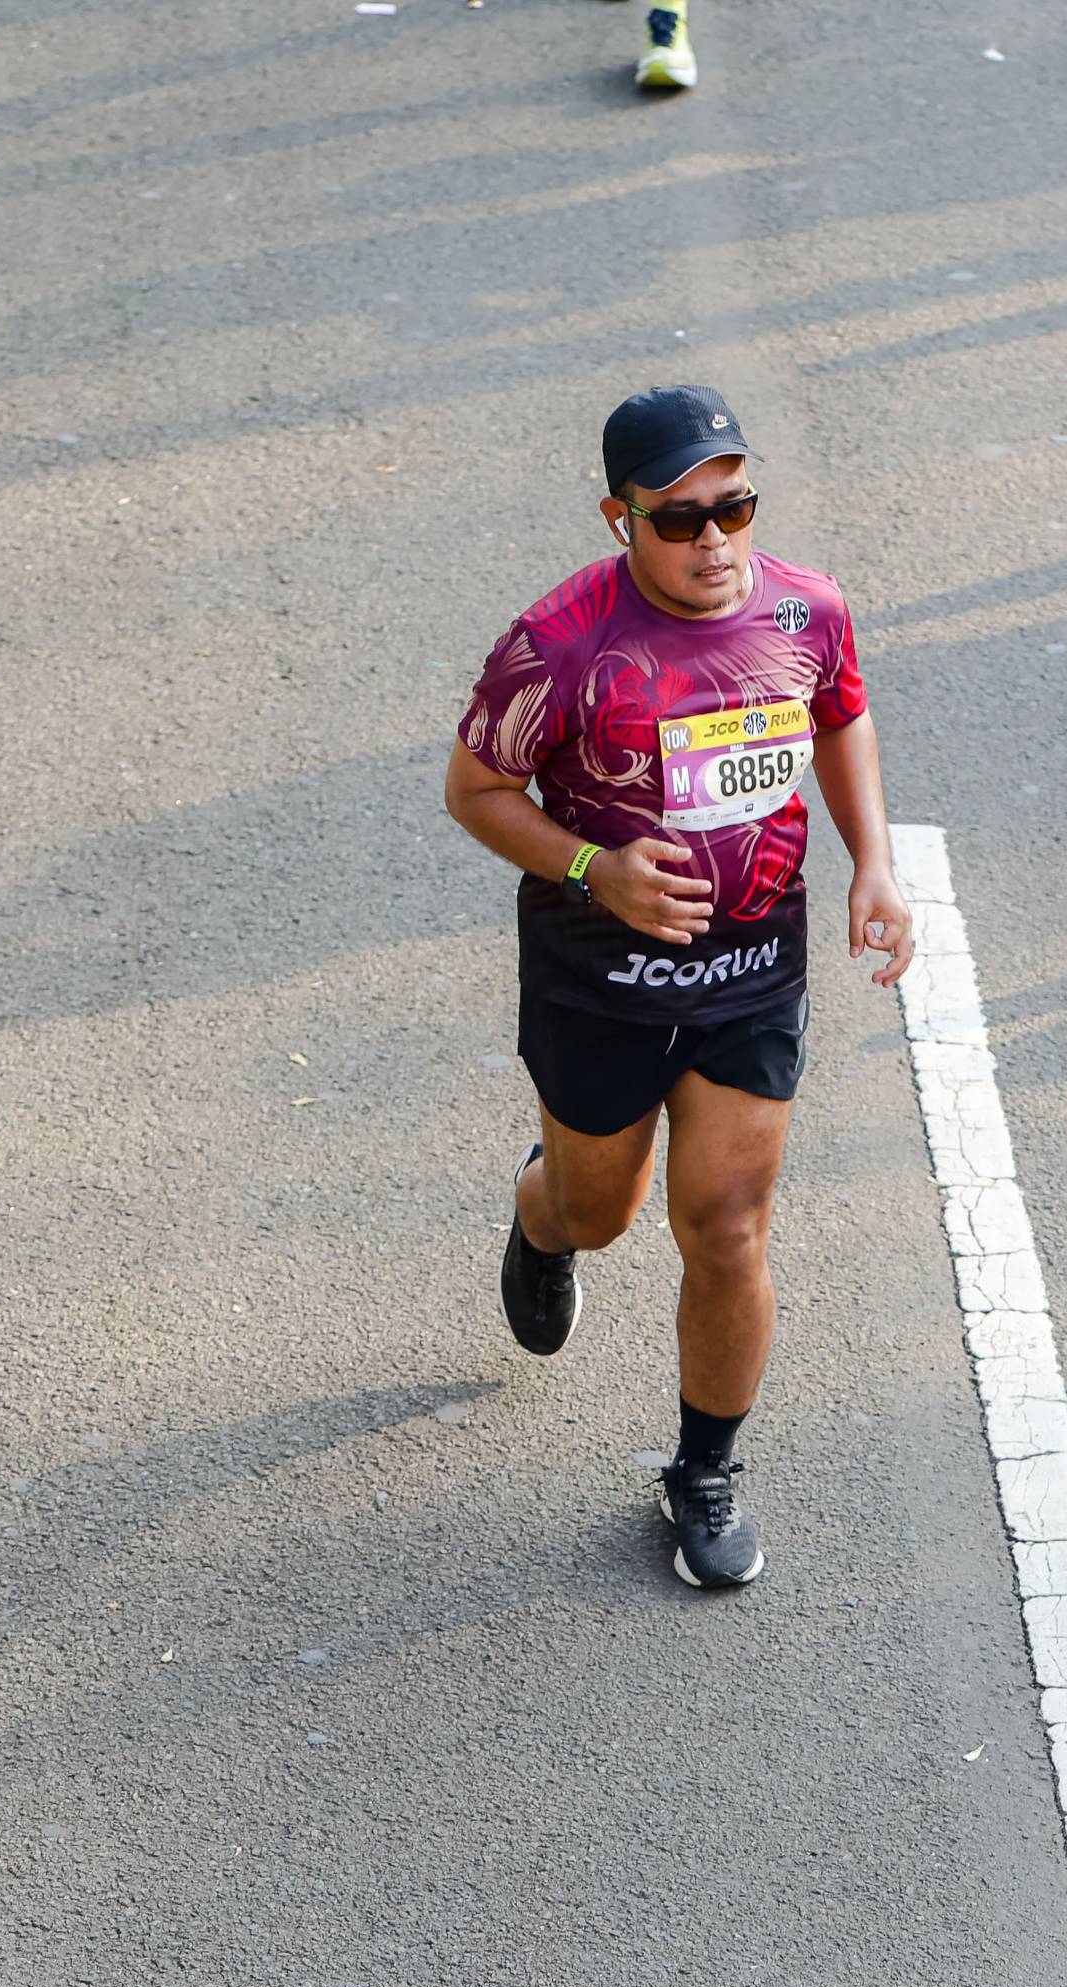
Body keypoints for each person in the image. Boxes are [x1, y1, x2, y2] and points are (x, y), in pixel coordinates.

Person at [445, 385, 913, 1588]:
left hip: (750, 967)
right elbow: (475, 791)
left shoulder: (808, 608)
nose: (714, 541)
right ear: (622, 519)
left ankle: (704, 1470)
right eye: (680, 519)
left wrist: (873, 860)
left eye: (734, 508)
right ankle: (541, 1217)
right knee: (600, 1210)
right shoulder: (557, 645)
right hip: (598, 976)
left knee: (728, 1222)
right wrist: (594, 868)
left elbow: (839, 716)